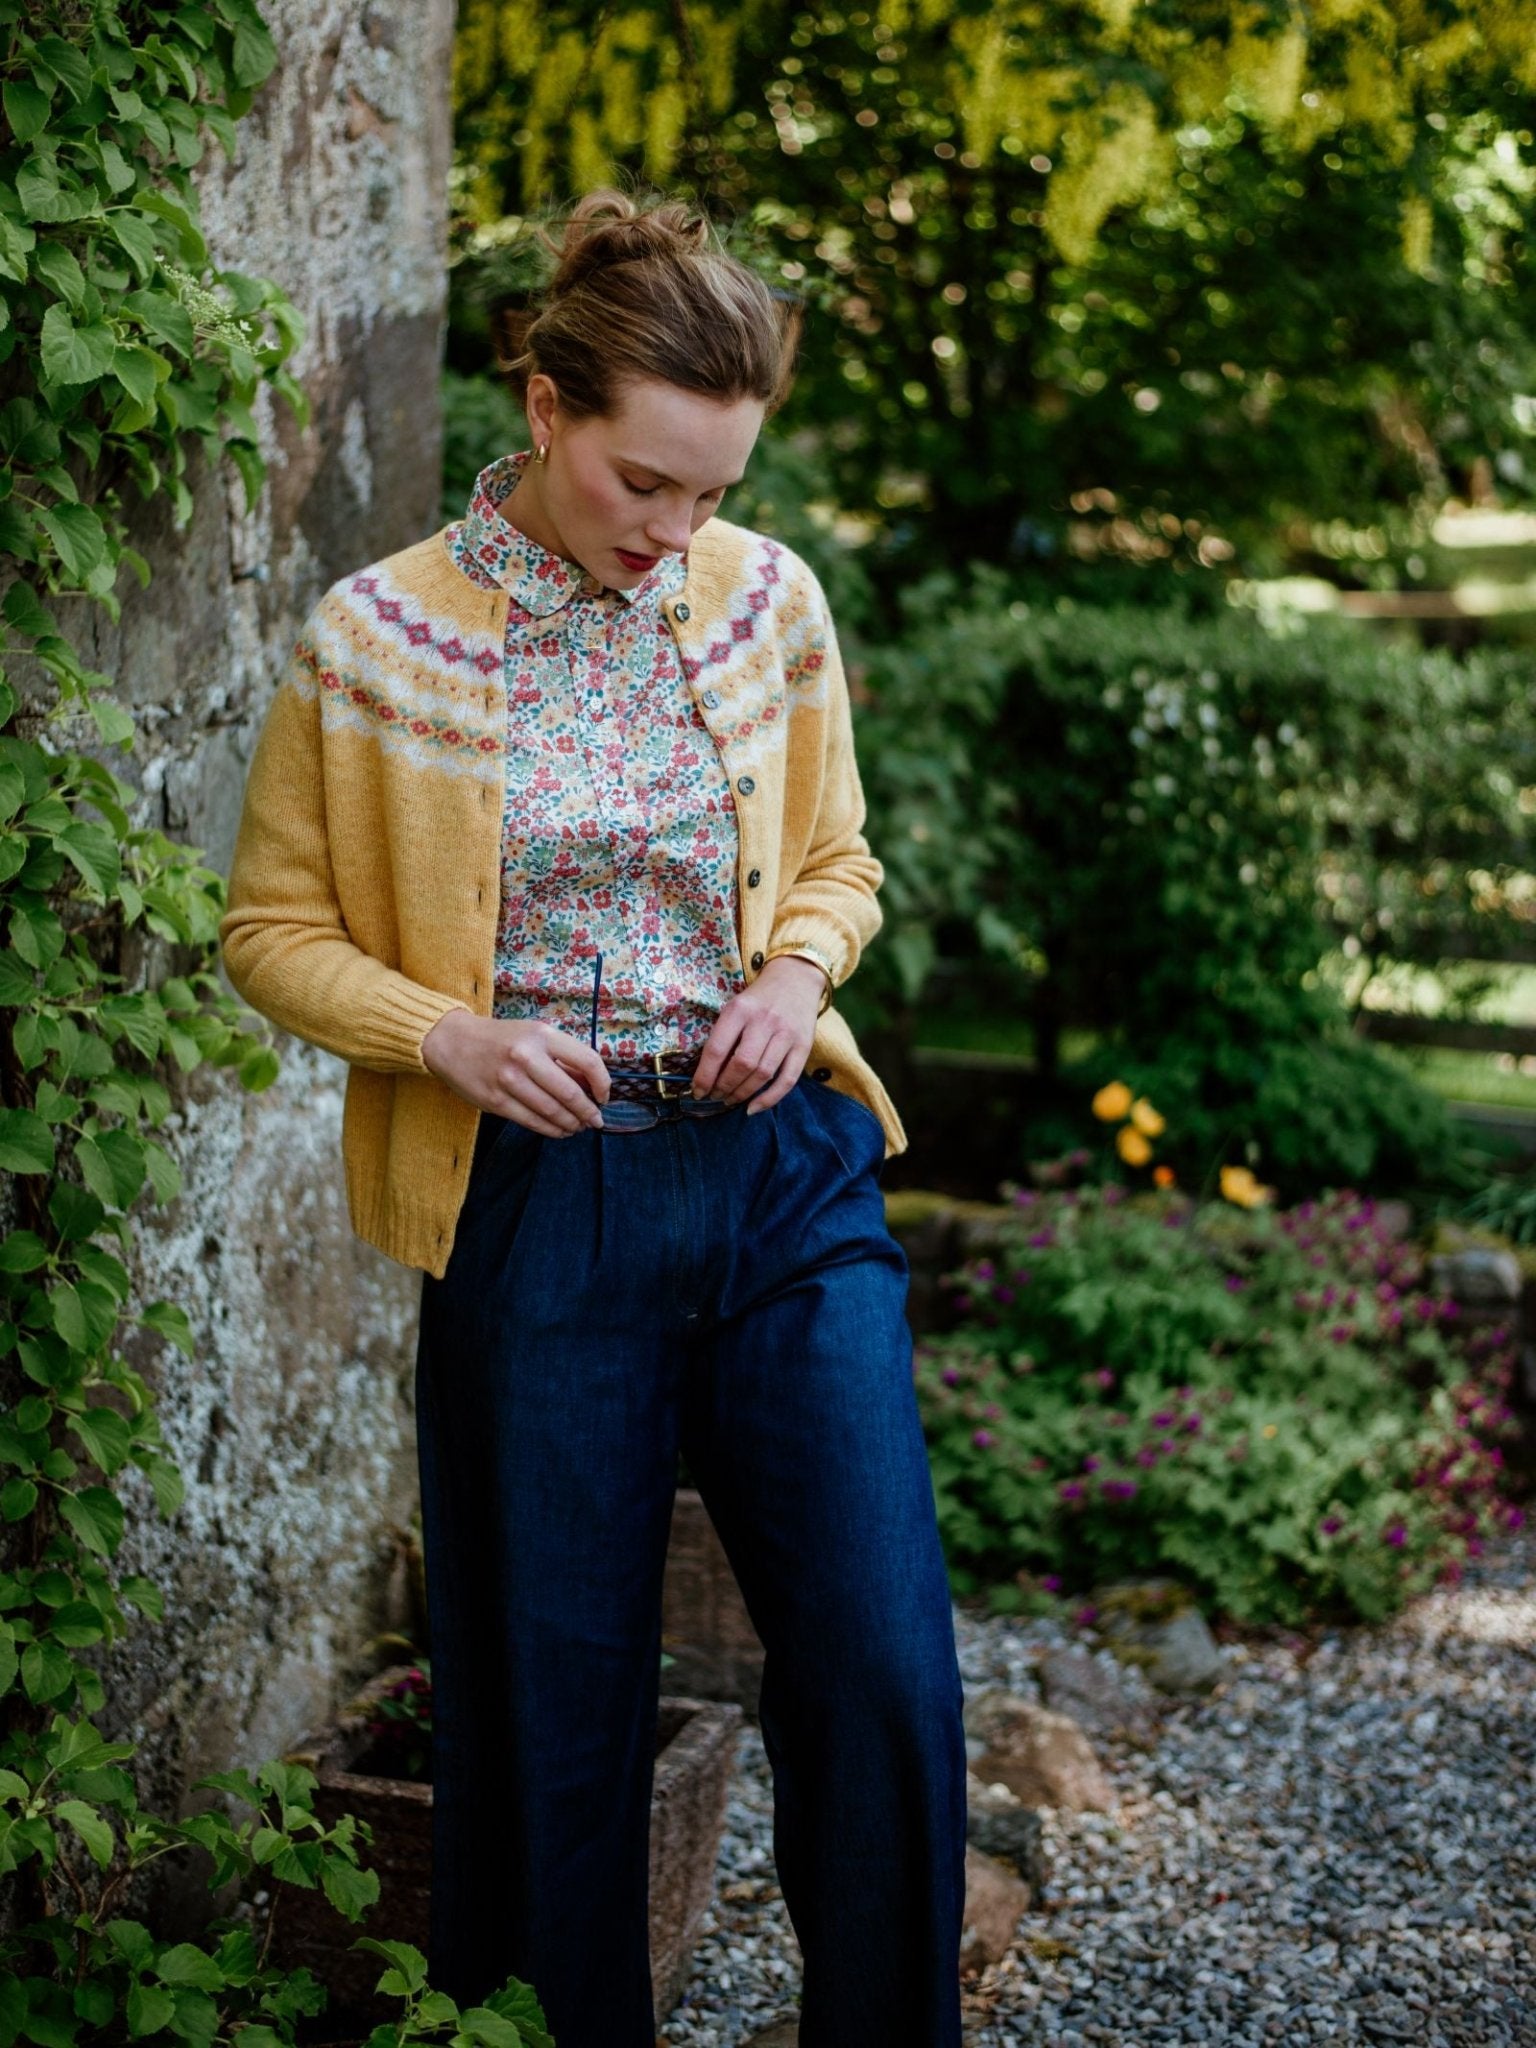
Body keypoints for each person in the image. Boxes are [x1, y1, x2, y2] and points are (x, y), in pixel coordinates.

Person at [219, 188, 967, 2048]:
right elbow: (269, 932)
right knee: (548, 1709)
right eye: (646, 482)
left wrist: (797, 978)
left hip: (784, 1181)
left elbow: (842, 860)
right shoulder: (378, 639)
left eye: (710, 493)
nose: (675, 533)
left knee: (879, 1660)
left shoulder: (769, 600)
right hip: (537, 1208)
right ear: (546, 407)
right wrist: (443, 1038)